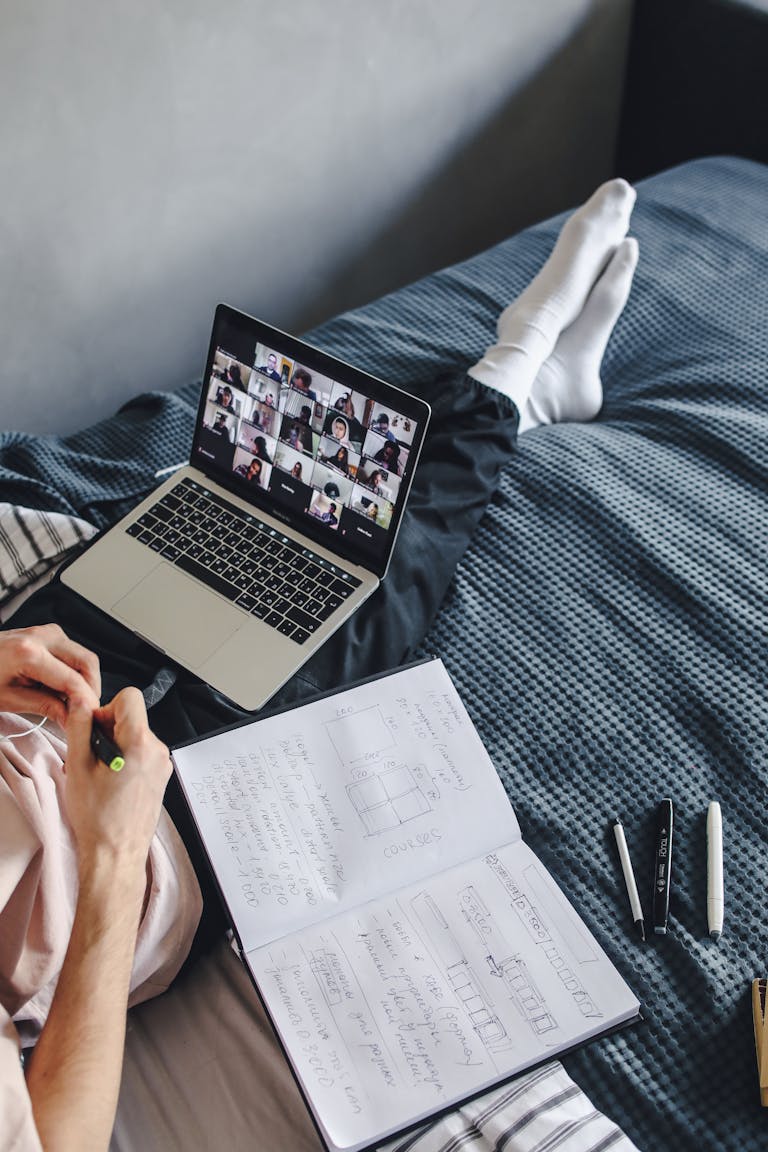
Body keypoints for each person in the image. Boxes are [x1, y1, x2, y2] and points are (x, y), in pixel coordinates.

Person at [1, 179, 640, 1150]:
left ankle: (520, 393)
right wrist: (118, 850)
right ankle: (517, 379)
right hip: (126, 844)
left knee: (199, 529)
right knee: (359, 608)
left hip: (29, 706)